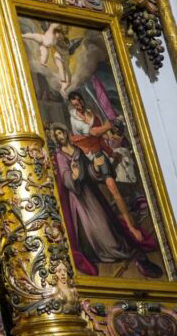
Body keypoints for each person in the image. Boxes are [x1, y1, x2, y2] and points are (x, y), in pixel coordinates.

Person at [48, 124, 160, 278]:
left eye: (61, 133)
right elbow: (67, 180)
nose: (60, 137)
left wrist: (94, 166)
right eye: (57, 135)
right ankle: (111, 252)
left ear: (66, 133)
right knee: (96, 230)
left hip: (91, 195)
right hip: (79, 201)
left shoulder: (77, 150)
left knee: (107, 226)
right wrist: (73, 176)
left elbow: (91, 174)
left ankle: (133, 255)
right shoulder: (60, 156)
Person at [67, 91, 143, 240]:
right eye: (76, 104)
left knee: (113, 188)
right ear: (72, 105)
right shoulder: (74, 118)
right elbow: (93, 133)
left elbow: (100, 139)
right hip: (85, 159)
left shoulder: (92, 114)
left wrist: (110, 152)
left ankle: (130, 227)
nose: (79, 106)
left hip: (98, 155)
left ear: (82, 100)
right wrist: (107, 126)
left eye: (80, 102)